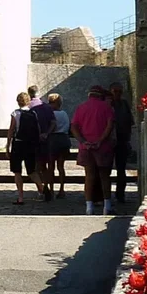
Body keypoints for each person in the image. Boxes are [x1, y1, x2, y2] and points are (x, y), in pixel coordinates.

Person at [71, 87, 116, 215]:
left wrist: (83, 141)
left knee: (89, 176)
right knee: (104, 176)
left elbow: (74, 126)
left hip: (86, 147)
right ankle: (107, 206)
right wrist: (100, 141)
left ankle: (89, 207)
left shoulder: (81, 107)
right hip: (103, 147)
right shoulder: (106, 108)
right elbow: (110, 125)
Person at [7, 91, 51, 204]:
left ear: (18, 101)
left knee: (17, 171)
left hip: (18, 144)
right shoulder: (33, 113)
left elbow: (11, 130)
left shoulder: (15, 113)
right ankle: (42, 190)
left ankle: (21, 197)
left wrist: (8, 145)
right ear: (28, 101)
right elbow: (38, 130)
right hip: (30, 145)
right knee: (31, 171)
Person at [109, 83, 134, 208]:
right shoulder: (107, 104)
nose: (118, 94)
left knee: (121, 170)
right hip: (108, 141)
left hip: (122, 140)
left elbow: (130, 121)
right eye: (115, 91)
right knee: (105, 169)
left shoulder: (124, 104)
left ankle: (120, 194)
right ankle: (105, 196)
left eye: (120, 91)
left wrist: (128, 139)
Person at [46, 92, 71, 196]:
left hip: (53, 140)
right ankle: (61, 189)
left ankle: (51, 189)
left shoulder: (51, 114)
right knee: (61, 166)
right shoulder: (64, 113)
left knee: (51, 166)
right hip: (64, 139)